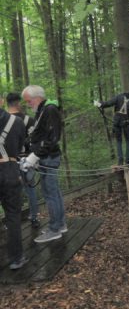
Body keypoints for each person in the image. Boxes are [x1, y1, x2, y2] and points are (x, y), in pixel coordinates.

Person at [21, 85, 66, 243]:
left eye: (28, 101)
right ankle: (60, 224)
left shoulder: (50, 109)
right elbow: (39, 135)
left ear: (37, 98)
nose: (27, 104)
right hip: (46, 157)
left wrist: (34, 156)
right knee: (54, 193)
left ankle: (55, 229)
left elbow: (52, 138)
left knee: (50, 194)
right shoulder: (42, 110)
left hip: (49, 158)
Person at [0, 105, 28, 269]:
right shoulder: (16, 121)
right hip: (10, 170)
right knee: (13, 216)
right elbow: (20, 148)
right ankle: (16, 258)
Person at [6, 92, 40, 229]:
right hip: (27, 161)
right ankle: (34, 218)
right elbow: (35, 141)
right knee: (30, 190)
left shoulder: (3, 120)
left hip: (8, 163)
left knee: (10, 193)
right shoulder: (29, 120)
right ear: (18, 103)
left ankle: (12, 221)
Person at [94, 89, 129, 166]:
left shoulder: (119, 96)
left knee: (119, 141)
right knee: (128, 141)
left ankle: (120, 161)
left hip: (116, 122)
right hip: (126, 123)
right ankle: (128, 160)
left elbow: (107, 104)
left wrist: (98, 104)